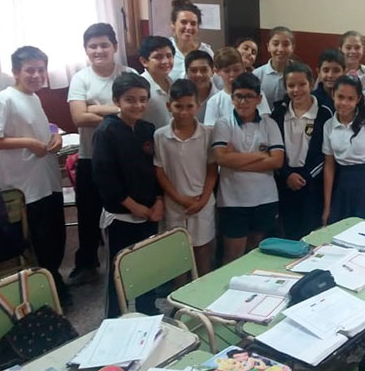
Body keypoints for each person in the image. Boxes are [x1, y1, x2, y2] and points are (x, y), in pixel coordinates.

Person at [0, 46, 70, 304]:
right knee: (39, 242)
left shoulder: (33, 97)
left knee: (56, 237)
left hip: (46, 180)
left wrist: (55, 136)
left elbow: (37, 126)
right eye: (30, 71)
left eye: (41, 70)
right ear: (16, 72)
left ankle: (54, 284)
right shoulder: (4, 99)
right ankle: (44, 293)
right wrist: (27, 143)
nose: (36, 75)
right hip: (25, 187)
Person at [66, 23, 137, 285]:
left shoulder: (128, 74)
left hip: (125, 159)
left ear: (115, 47)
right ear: (86, 50)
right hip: (91, 157)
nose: (99, 50)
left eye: (104, 45)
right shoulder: (81, 78)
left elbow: (136, 113)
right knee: (88, 213)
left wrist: (95, 108)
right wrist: (118, 113)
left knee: (125, 211)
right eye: (93, 46)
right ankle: (86, 263)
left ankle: (129, 261)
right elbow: (78, 117)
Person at [92, 72, 163, 318]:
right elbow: (104, 177)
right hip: (121, 214)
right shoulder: (106, 132)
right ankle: (114, 316)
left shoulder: (147, 129)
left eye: (143, 99)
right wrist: (132, 205)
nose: (138, 105)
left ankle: (147, 307)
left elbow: (157, 169)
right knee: (119, 267)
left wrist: (158, 200)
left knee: (147, 263)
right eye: (130, 100)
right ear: (117, 101)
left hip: (149, 211)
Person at [212, 73, 284, 264]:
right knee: (232, 257)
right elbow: (221, 158)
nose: (243, 102)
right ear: (232, 98)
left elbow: (277, 161)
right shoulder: (223, 124)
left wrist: (235, 158)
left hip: (265, 198)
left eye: (248, 97)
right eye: (238, 96)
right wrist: (260, 155)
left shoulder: (269, 124)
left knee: (256, 255)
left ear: (259, 99)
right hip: (233, 200)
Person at [154, 79, 218, 276]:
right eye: (178, 106)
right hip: (174, 204)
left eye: (189, 106)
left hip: (202, 202)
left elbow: (212, 169)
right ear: (169, 106)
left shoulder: (208, 133)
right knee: (178, 253)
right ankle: (179, 290)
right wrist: (180, 199)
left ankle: (203, 289)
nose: (184, 112)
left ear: (198, 106)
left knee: (203, 250)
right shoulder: (160, 136)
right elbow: (160, 171)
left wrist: (203, 200)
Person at [270, 62, 332, 240]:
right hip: (285, 181)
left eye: (302, 84)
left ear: (311, 84)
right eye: (291, 85)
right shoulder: (278, 114)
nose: (296, 90)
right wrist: (287, 175)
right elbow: (273, 149)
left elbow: (325, 154)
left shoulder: (324, 113)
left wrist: (306, 176)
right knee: (288, 233)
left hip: (312, 183)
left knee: (311, 234)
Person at [322, 75, 365, 224]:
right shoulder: (328, 125)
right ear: (333, 95)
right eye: (340, 97)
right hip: (341, 183)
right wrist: (327, 206)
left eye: (350, 99)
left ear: (358, 99)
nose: (344, 103)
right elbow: (329, 165)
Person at [204, 47, 271, 126]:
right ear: (217, 71)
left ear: (243, 68)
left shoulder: (256, 94)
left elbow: (265, 122)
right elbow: (211, 128)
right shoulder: (214, 101)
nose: (232, 75)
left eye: (236, 70)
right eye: (227, 71)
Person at [168, 0, 212, 80]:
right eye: (183, 22)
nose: (188, 27)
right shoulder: (165, 51)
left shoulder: (206, 52)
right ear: (173, 24)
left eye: (193, 23)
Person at [138, 36, 175, 129]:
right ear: (144, 61)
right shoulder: (138, 87)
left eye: (169, 56)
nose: (165, 61)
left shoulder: (173, 84)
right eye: (158, 57)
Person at [254, 26, 295, 107]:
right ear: (268, 47)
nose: (280, 49)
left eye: (286, 44)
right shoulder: (257, 75)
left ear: (292, 48)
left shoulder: (300, 74)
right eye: (275, 44)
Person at [184, 50, 219, 123]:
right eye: (193, 70)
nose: (199, 75)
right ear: (186, 72)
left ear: (213, 72)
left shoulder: (220, 99)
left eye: (204, 70)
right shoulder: (180, 99)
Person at [312, 49, 346, 114]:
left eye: (336, 71)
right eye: (326, 70)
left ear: (344, 72)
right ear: (318, 72)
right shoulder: (312, 100)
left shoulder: (350, 97)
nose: (330, 75)